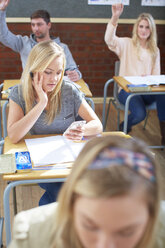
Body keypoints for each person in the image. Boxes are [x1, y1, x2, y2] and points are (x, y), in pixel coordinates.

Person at [8, 135, 165, 248]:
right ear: (71, 204)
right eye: (89, 226)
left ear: (152, 215)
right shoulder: (33, 236)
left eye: (127, 232)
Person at [7, 40, 103, 205]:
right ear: (34, 70)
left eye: (59, 72)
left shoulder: (68, 90)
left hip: (69, 161)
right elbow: (14, 136)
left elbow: (97, 124)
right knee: (65, 193)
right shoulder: (19, 92)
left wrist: (83, 130)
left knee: (59, 196)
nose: (55, 79)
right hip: (43, 164)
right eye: (48, 72)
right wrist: (42, 103)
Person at [104, 3, 165, 144]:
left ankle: (164, 138)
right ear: (136, 28)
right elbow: (109, 40)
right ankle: (123, 127)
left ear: (151, 30)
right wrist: (115, 17)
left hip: (147, 91)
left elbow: (156, 77)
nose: (143, 30)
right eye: (141, 26)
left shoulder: (155, 50)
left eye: (147, 27)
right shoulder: (126, 43)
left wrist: (150, 78)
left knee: (163, 95)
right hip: (128, 90)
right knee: (139, 114)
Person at [0, 0, 81, 82]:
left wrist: (76, 74)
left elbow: (73, 69)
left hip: (53, 88)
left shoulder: (62, 47)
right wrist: (1, 11)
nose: (36, 28)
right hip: (29, 89)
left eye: (39, 24)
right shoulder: (23, 43)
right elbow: (3, 36)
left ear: (49, 25)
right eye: (33, 25)